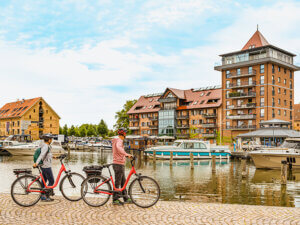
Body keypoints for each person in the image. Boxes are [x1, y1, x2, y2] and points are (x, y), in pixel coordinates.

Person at [112, 128, 133, 205]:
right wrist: (126, 154)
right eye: (125, 133)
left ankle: (126, 198)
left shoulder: (116, 140)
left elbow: (118, 151)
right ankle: (115, 199)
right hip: (118, 164)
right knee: (117, 182)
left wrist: (125, 156)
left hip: (119, 163)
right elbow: (119, 148)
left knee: (123, 182)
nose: (126, 135)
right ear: (123, 134)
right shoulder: (119, 141)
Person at [33, 134, 55, 202]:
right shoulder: (45, 146)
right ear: (48, 140)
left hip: (44, 165)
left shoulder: (45, 145)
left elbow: (47, 154)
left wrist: (53, 157)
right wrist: (36, 163)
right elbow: (42, 155)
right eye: (51, 139)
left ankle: (42, 196)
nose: (51, 140)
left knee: (44, 181)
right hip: (46, 166)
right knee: (51, 181)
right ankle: (46, 196)